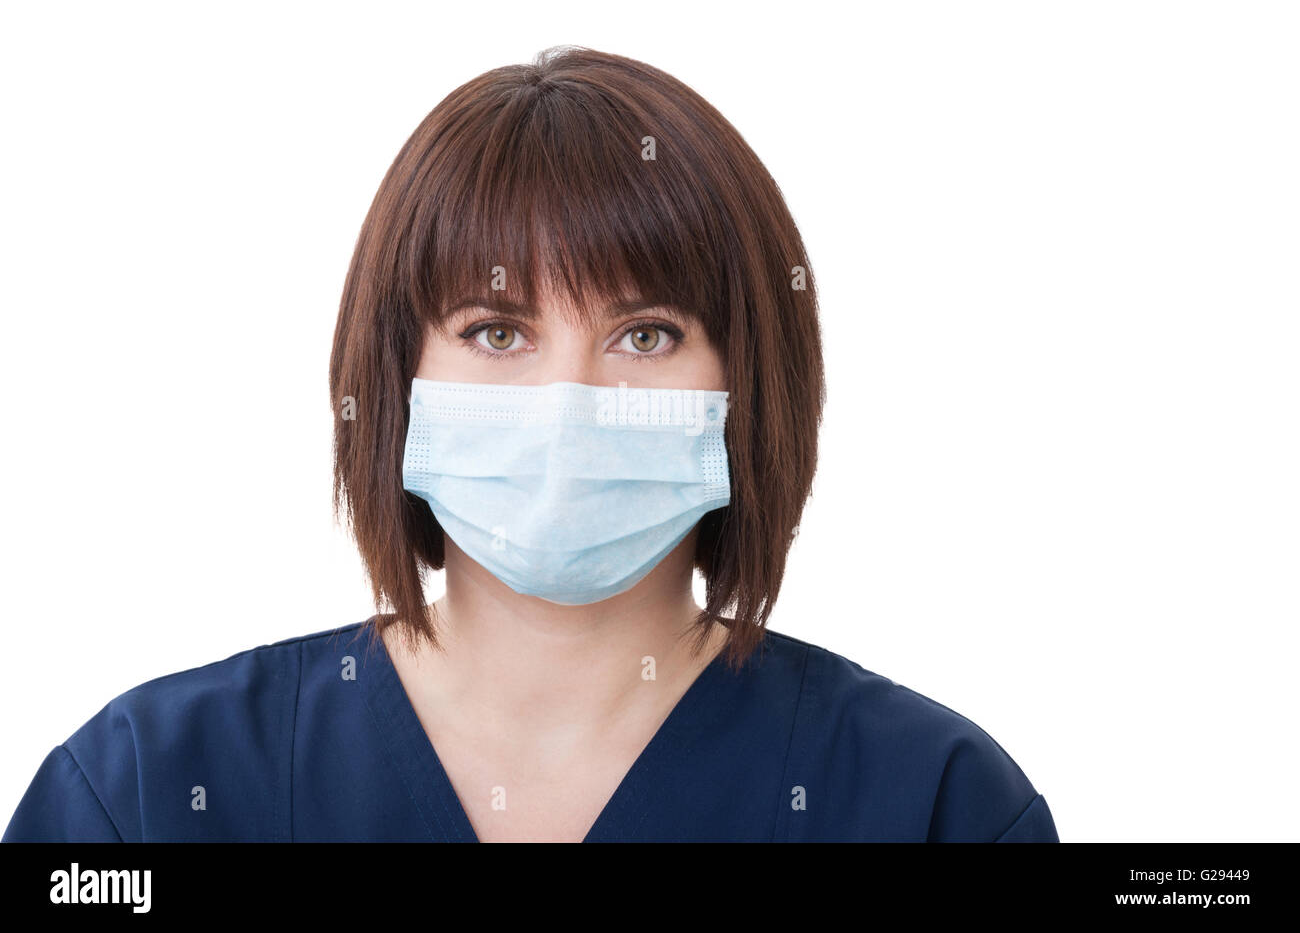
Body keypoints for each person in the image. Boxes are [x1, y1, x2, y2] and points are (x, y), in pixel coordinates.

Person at [2, 46, 1058, 843]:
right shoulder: (145, 793)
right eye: (495, 331)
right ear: (393, 376)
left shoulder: (931, 803)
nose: (568, 398)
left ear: (748, 382)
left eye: (645, 334)